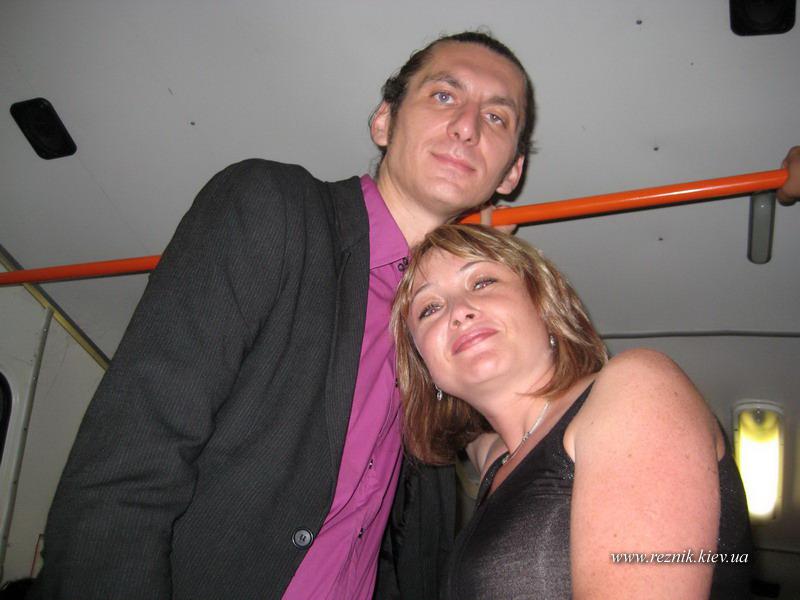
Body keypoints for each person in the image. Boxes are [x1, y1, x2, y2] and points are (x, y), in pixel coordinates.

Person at [27, 31, 534, 600]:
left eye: (496, 117)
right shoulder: (273, 208)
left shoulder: (441, 324)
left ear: (509, 174)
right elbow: (127, 459)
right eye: (444, 96)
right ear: (384, 121)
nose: (467, 126)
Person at [391, 224, 756, 599]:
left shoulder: (636, 385)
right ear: (426, 366)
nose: (458, 312)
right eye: (429, 308)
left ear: (543, 304)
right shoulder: (497, 461)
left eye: (482, 282)